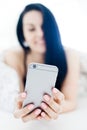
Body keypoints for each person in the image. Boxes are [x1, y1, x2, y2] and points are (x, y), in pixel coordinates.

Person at [3, 3, 79, 122]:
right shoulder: (15, 56)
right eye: (31, 29)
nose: (40, 33)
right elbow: (20, 96)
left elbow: (71, 100)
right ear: (23, 34)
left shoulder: (71, 55)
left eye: (45, 27)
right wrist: (21, 107)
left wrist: (54, 108)